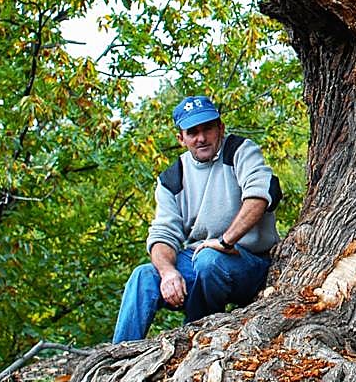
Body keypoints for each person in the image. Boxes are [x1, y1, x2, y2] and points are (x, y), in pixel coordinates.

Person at [112, 95, 282, 342]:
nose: (201, 138)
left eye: (208, 128)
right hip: (201, 259)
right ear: (181, 138)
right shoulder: (172, 178)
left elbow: (259, 196)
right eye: (192, 132)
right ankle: (119, 358)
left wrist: (225, 241)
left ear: (220, 128)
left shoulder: (240, 151)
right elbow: (163, 235)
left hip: (250, 262)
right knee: (144, 276)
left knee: (208, 260)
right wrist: (168, 272)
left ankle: (198, 334)